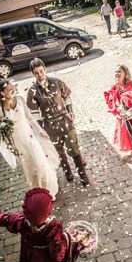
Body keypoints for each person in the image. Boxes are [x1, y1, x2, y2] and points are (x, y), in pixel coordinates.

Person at [27, 58, 89, 186]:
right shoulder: (32, 91)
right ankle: (67, 171)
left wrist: (70, 111)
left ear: (44, 68)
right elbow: (34, 112)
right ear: (33, 74)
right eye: (36, 73)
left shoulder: (57, 82)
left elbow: (67, 96)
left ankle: (82, 174)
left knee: (74, 148)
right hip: (50, 126)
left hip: (65, 121)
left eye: (41, 71)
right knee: (59, 151)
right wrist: (41, 128)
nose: (39, 74)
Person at [0, 79, 59, 199]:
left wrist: (40, 130)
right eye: (9, 89)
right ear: (2, 93)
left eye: (12, 87)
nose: (12, 90)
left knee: (40, 164)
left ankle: (48, 191)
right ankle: (38, 194)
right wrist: (11, 146)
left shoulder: (20, 100)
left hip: (29, 137)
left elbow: (30, 117)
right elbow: (2, 131)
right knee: (29, 169)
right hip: (18, 144)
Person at [104, 65, 132, 156]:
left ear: (125, 73)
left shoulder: (129, 83)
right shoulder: (115, 87)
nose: (117, 73)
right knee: (126, 131)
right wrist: (117, 107)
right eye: (116, 71)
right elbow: (110, 100)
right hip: (123, 113)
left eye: (119, 71)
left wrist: (128, 95)